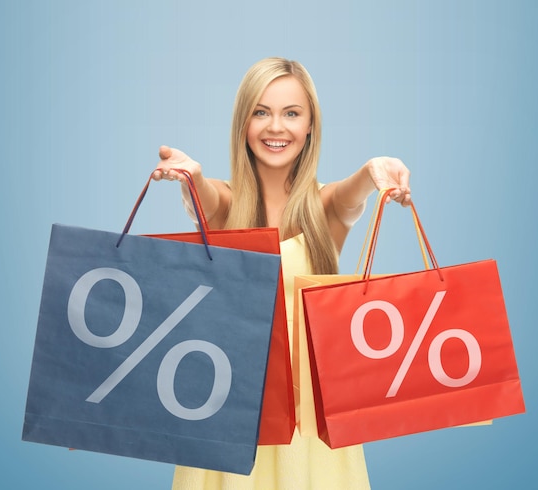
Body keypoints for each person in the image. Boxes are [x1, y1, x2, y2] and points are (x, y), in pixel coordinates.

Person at [153, 57, 411, 490]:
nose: (276, 126)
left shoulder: (324, 207)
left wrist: (371, 173)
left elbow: (351, 195)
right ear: (243, 123)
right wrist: (191, 178)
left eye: (291, 113)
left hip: (308, 422)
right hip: (229, 410)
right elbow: (205, 198)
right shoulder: (227, 203)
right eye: (261, 112)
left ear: (310, 125)